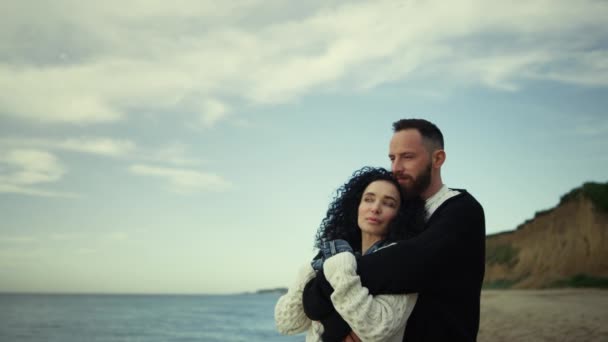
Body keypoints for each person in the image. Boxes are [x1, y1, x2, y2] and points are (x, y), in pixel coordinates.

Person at [306, 119, 486, 342]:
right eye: (392, 158)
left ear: (437, 158)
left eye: (407, 157)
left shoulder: (462, 210)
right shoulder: (398, 215)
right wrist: (335, 325)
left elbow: (408, 265)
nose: (396, 168)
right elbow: (313, 302)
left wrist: (325, 281)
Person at [274, 167, 426, 341]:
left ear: (401, 214)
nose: (375, 208)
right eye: (368, 199)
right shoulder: (331, 256)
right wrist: (308, 272)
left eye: (388, 203)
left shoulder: (401, 261)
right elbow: (286, 324)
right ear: (356, 206)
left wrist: (340, 269)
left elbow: (375, 329)